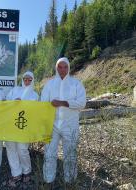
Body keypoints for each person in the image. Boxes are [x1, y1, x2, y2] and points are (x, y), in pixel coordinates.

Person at [41, 57, 86, 189]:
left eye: (65, 67)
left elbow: (81, 103)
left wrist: (62, 103)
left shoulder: (76, 84)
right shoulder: (49, 84)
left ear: (69, 68)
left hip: (70, 125)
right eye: (60, 67)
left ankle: (70, 181)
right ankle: (48, 180)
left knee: (70, 153)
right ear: (56, 68)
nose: (62, 70)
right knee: (49, 153)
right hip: (51, 125)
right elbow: (43, 103)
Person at [5, 71, 39, 187]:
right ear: (22, 80)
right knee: (11, 148)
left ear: (33, 80)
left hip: (25, 126)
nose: (27, 81)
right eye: (25, 79)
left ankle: (27, 171)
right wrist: (13, 102)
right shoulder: (15, 90)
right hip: (11, 124)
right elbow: (6, 103)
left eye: (30, 79)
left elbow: (36, 111)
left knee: (22, 149)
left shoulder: (35, 95)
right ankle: (16, 173)